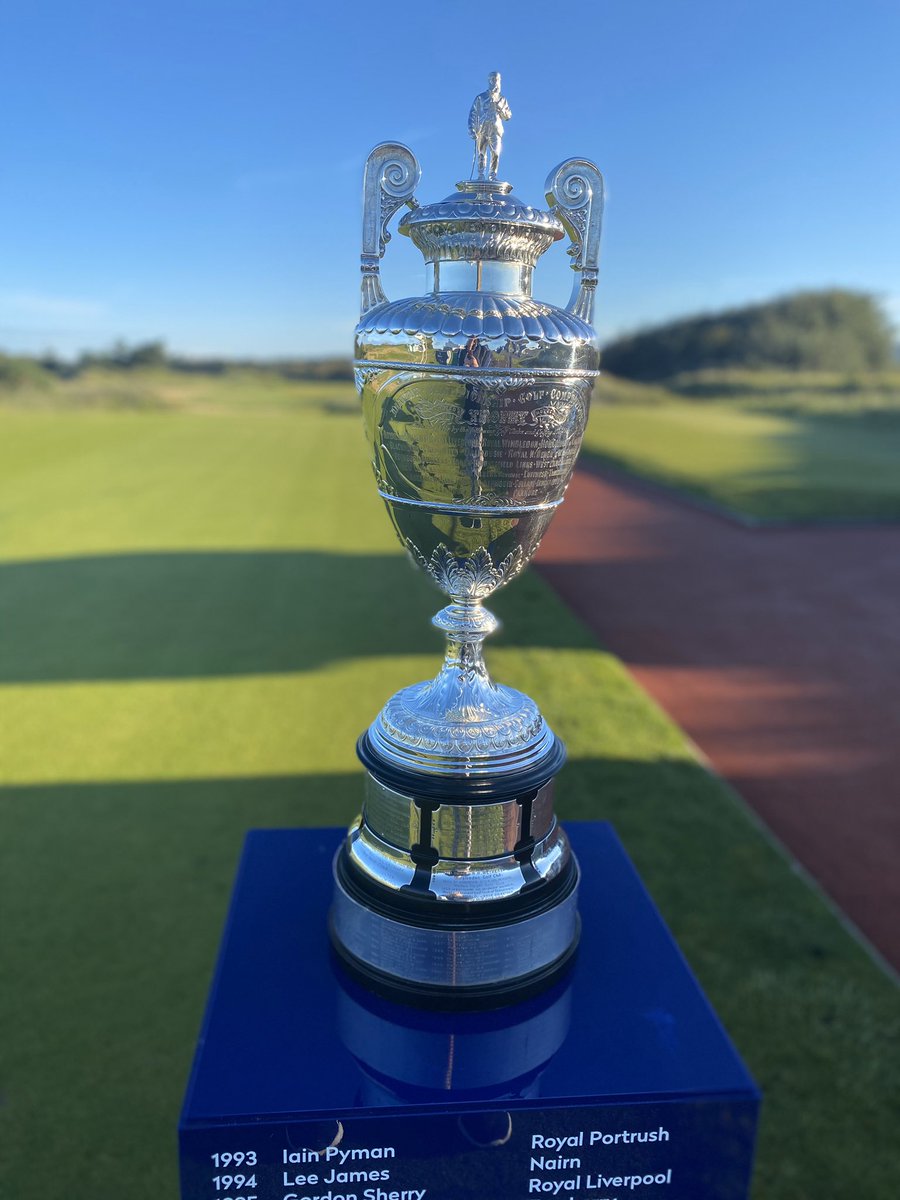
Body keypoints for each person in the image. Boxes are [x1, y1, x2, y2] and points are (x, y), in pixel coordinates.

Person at [468, 72, 511, 181]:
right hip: (482, 129)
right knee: (481, 153)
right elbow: (473, 113)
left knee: (496, 152)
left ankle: (493, 175)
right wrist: (471, 129)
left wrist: (501, 109)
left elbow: (508, 116)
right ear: (489, 81)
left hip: (496, 130)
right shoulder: (481, 97)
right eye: (492, 79)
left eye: (496, 79)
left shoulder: (502, 99)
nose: (495, 82)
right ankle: (481, 175)